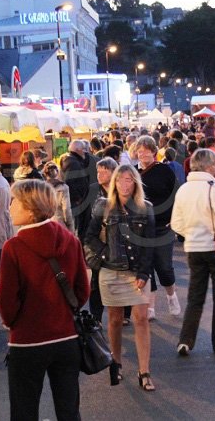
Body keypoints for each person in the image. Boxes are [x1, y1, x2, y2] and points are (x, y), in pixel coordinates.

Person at [0, 180, 90, 421]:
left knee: (24, 410)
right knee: (69, 410)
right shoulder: (70, 239)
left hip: (28, 342)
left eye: (14, 201)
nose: (10, 207)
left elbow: (6, 301)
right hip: (67, 338)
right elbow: (82, 290)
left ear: (30, 209)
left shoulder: (13, 247)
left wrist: (14, 321)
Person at [84, 165, 157, 391]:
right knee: (115, 320)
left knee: (141, 318)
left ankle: (144, 371)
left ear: (136, 183)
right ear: (114, 182)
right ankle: (116, 363)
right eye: (121, 180)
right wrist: (107, 254)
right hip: (110, 271)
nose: (125, 184)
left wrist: (144, 274)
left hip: (137, 272)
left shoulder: (146, 209)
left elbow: (148, 245)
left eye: (129, 180)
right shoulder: (102, 207)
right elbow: (89, 237)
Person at [171, 149, 215, 356]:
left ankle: (185, 340)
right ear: (208, 167)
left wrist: (191, 233)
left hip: (193, 249)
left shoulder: (183, 189)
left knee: (195, 296)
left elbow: (176, 223)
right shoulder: (214, 188)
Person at [136, 136, 181, 320]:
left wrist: (176, 219)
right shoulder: (133, 173)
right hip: (141, 228)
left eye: (146, 150)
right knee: (146, 267)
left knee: (164, 266)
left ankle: (171, 295)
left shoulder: (165, 171)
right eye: (140, 151)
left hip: (163, 225)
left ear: (154, 152)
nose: (143, 154)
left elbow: (176, 194)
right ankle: (151, 307)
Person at [84, 157, 118, 323]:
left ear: (113, 173)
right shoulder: (92, 190)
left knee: (120, 279)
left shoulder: (120, 190)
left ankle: (123, 314)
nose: (100, 175)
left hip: (118, 241)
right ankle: (96, 317)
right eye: (98, 171)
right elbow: (84, 216)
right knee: (96, 281)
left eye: (104, 171)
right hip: (96, 241)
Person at [42, 162, 75, 234]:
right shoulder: (63, 187)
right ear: (57, 173)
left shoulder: (41, 188)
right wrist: (69, 224)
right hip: (59, 223)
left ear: (45, 174)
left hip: (44, 224)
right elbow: (66, 208)